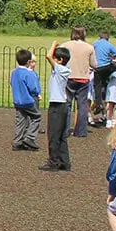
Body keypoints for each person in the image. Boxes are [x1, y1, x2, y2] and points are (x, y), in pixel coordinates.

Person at [61, 27, 98, 137]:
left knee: (67, 104)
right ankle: (80, 131)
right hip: (83, 77)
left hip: (69, 77)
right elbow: (94, 64)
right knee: (82, 105)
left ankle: (65, 130)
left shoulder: (65, 45)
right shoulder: (89, 47)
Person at [42, 42, 73, 171]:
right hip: (63, 105)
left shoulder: (60, 69)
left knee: (53, 135)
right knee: (61, 136)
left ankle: (53, 162)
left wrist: (54, 43)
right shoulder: (64, 70)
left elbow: (48, 56)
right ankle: (64, 161)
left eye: (56, 58)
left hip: (57, 105)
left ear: (60, 60)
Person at [10, 49, 41, 152]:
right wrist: (37, 94)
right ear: (28, 62)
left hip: (17, 101)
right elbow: (33, 88)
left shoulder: (14, 72)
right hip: (27, 101)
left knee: (21, 120)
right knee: (36, 117)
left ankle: (17, 142)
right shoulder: (28, 74)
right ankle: (30, 137)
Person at [90, 32, 116, 125]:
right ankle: (103, 105)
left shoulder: (95, 43)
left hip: (98, 68)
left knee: (97, 86)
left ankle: (99, 104)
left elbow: (91, 52)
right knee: (105, 83)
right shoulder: (109, 45)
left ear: (99, 37)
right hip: (107, 67)